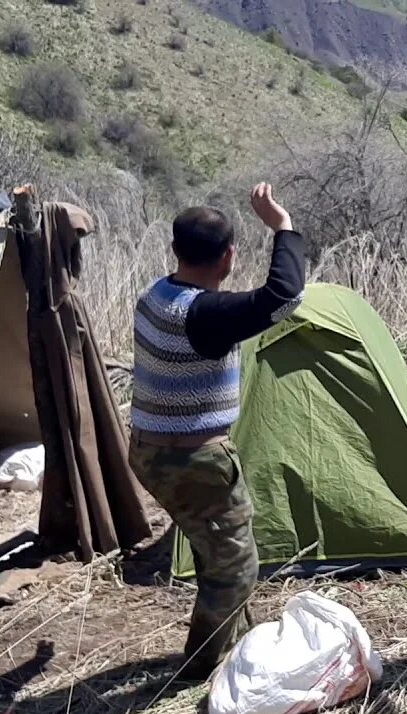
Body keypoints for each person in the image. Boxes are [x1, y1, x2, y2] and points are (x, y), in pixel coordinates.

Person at [129, 183, 306, 680]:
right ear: (228, 256)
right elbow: (283, 297)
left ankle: (241, 637)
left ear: (175, 251)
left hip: (147, 450)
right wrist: (283, 226)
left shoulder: (154, 295)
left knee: (220, 546)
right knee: (234, 567)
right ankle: (199, 667)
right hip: (192, 461)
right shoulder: (204, 315)